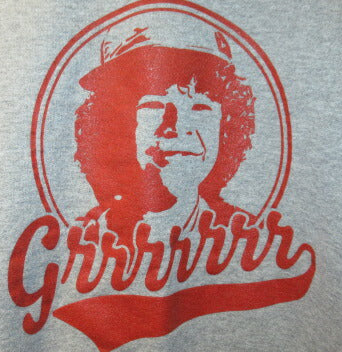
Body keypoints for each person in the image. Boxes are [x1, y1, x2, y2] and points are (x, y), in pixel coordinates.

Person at [74, 27, 255, 246]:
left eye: (200, 107)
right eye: (154, 106)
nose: (173, 127)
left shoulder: (251, 235)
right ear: (114, 124)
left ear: (226, 126)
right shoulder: (82, 237)